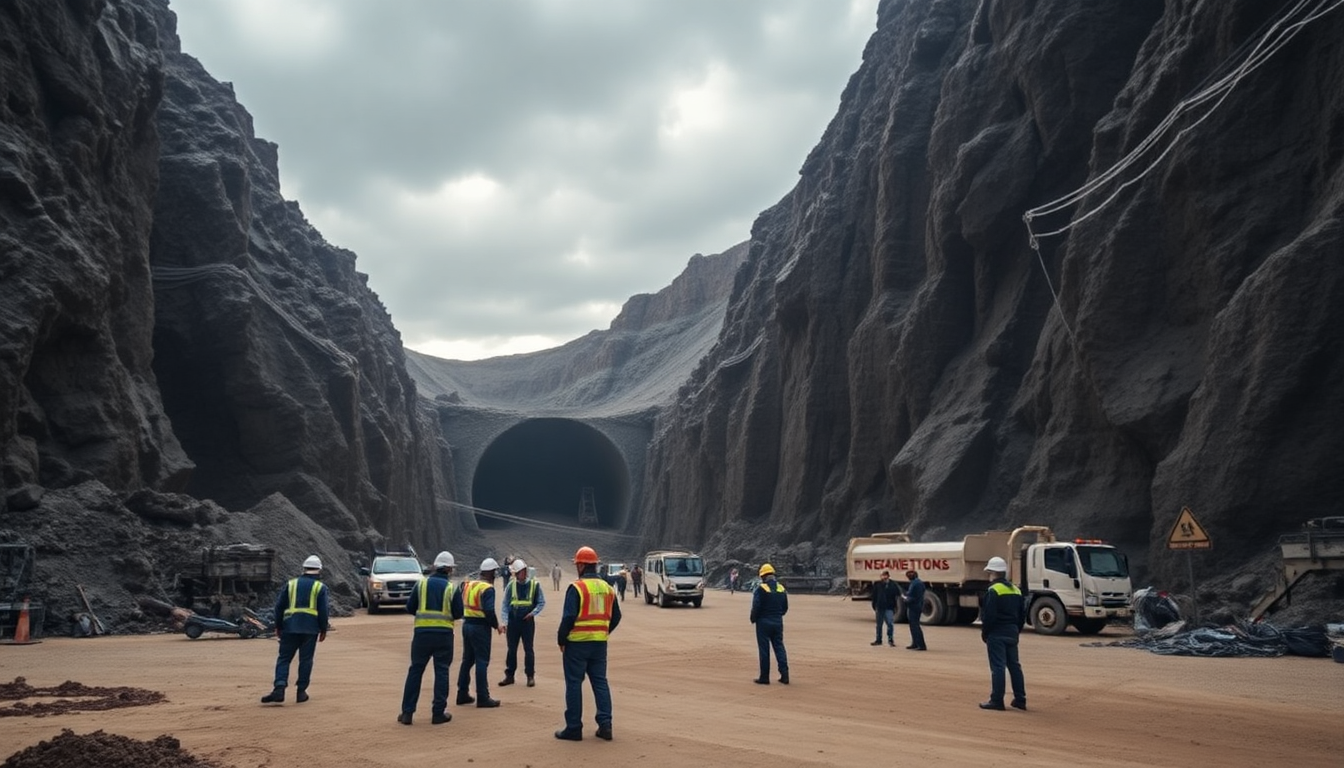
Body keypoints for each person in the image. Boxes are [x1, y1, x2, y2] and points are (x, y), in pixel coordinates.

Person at [554, 545, 621, 742]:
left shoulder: (577, 587)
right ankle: (605, 725)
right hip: (599, 644)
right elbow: (616, 616)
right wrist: (603, 631)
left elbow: (568, 617)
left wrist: (561, 639)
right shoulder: (608, 588)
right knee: (600, 682)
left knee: (574, 684)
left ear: (582, 565)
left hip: (577, 644)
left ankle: (574, 728)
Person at [398, 551, 464, 725]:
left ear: (435, 566)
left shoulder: (421, 585)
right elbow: (458, 613)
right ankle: (438, 713)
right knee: (441, 671)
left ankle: (407, 713)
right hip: (443, 636)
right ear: (449, 569)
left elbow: (410, 607)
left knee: (415, 671)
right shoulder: (452, 588)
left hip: (422, 635)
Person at [261, 554, 330, 704]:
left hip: (289, 627)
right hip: (310, 630)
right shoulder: (320, 587)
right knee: (306, 660)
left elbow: (279, 607)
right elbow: (323, 610)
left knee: (284, 658)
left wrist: (278, 625)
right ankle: (301, 692)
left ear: (304, 569)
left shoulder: (291, 584)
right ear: (319, 570)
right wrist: (323, 629)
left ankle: (279, 688)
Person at [978, 556, 1027, 711]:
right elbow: (1022, 615)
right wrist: (1016, 630)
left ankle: (997, 700)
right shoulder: (1016, 590)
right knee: (1014, 666)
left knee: (998, 667)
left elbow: (989, 616)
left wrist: (985, 633)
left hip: (997, 632)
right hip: (1012, 631)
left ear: (992, 573)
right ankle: (1020, 699)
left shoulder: (993, 591)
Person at [456, 558, 504, 708]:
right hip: (480, 628)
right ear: (490, 573)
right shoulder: (487, 589)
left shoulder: (468, 585)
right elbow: (489, 611)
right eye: (495, 572)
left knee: (467, 660)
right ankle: (483, 697)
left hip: (467, 625)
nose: (496, 575)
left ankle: (462, 693)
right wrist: (497, 625)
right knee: (482, 661)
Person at [499, 559, 545, 688]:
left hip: (527, 621)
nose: (521, 574)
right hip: (513, 621)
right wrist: (505, 622)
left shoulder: (535, 585)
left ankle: (530, 676)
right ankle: (510, 676)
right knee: (511, 650)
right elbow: (505, 605)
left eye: (523, 571)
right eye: (519, 572)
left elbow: (541, 602)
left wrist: (533, 613)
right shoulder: (511, 586)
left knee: (528, 649)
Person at [749, 563, 789, 685]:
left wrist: (753, 618)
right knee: (779, 647)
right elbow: (785, 607)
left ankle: (764, 677)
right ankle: (785, 675)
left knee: (764, 650)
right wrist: (778, 615)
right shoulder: (781, 588)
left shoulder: (761, 589)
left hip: (763, 623)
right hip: (777, 622)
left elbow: (756, 606)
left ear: (763, 576)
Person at [869, 570, 900, 646]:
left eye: (885, 575)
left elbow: (897, 593)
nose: (883, 577)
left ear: (888, 576)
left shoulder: (893, 584)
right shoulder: (878, 584)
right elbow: (874, 595)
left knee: (890, 624)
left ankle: (890, 640)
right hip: (880, 607)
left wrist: (894, 605)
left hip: (889, 607)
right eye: (882, 575)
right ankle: (878, 640)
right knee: (879, 625)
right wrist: (874, 605)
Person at [904, 569, 927, 651]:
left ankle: (921, 645)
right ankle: (915, 643)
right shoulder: (916, 583)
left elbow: (914, 596)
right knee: (913, 626)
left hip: (915, 607)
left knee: (915, 626)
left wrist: (907, 599)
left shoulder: (916, 584)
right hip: (914, 606)